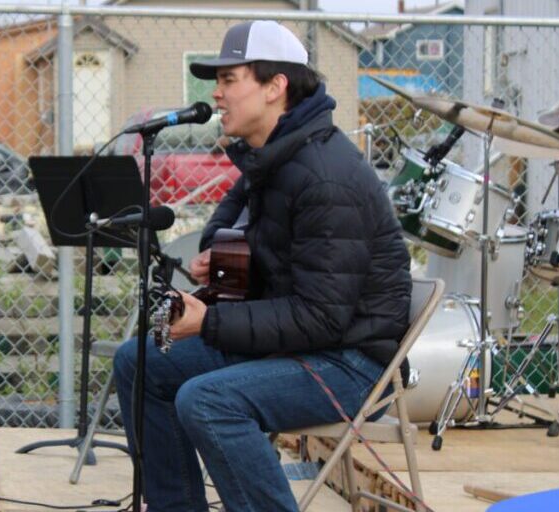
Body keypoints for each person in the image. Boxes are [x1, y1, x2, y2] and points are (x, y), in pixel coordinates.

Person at [112, 20, 412, 511]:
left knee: (208, 402)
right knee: (138, 363)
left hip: (347, 362)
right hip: (300, 342)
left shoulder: (324, 179)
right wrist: (225, 259)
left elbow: (322, 318)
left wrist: (210, 321)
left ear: (276, 87)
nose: (218, 93)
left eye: (231, 80)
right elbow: (219, 235)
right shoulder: (270, 157)